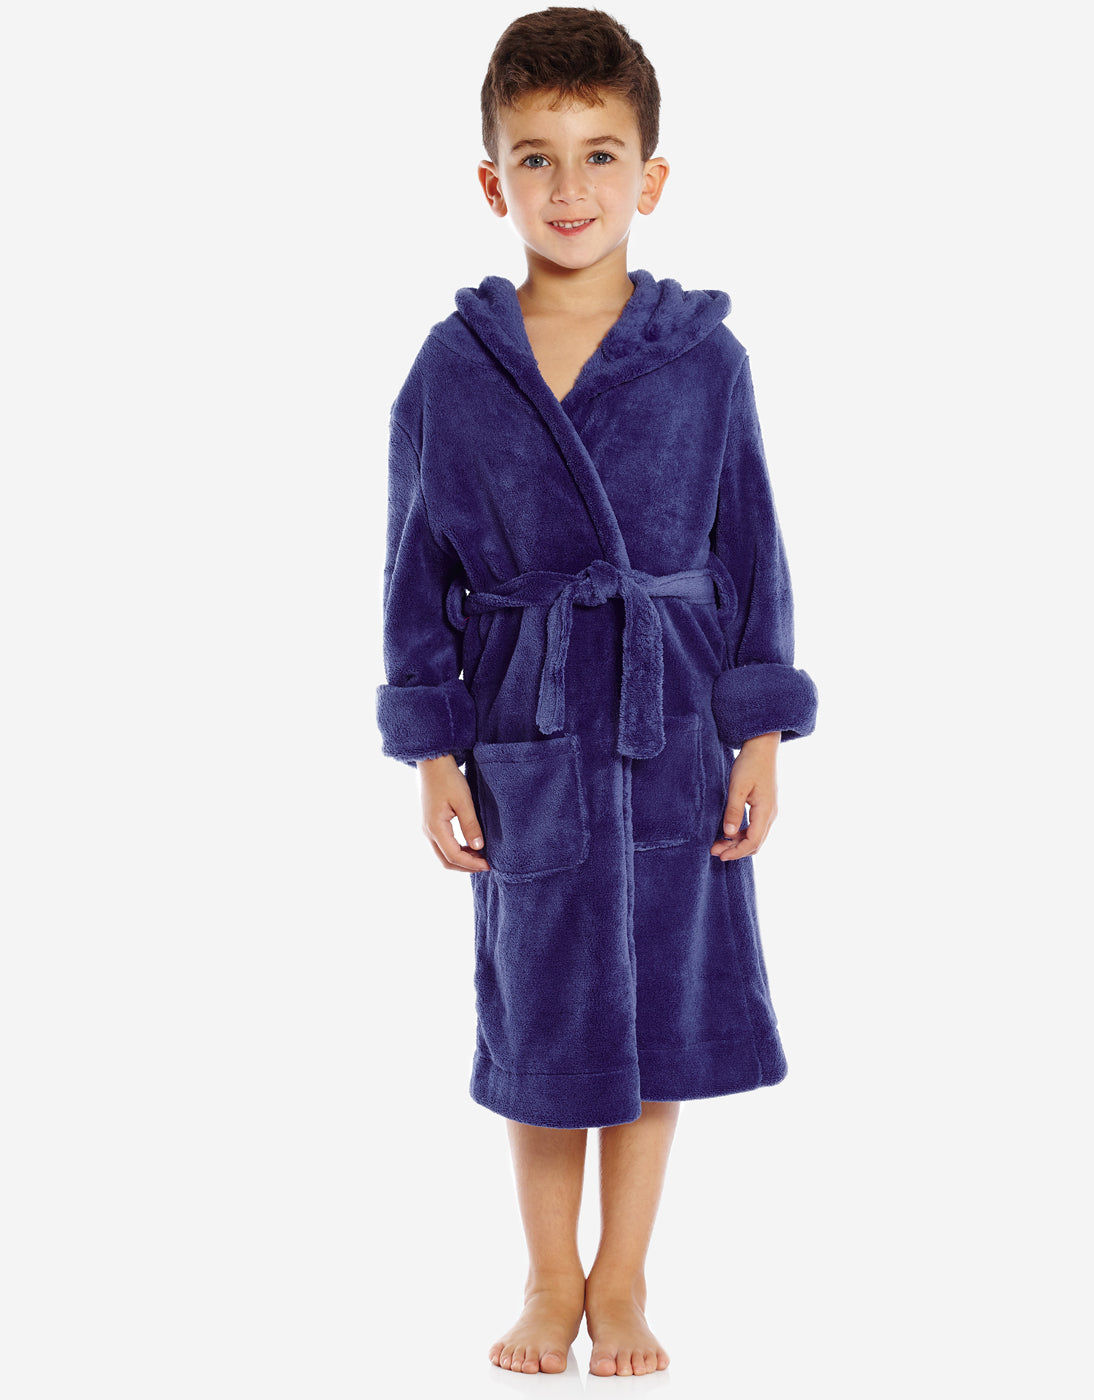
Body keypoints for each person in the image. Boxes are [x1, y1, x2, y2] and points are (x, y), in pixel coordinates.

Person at [374, 6, 819, 1379]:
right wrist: (435, 751)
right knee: (541, 1004)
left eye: (600, 155)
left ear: (651, 177)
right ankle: (545, 1275)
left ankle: (622, 1279)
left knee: (657, 1004)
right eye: (537, 158)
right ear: (491, 181)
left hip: (671, 718)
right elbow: (413, 569)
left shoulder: (704, 359)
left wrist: (759, 730)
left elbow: (751, 549)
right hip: (527, 723)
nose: (570, 189)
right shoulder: (454, 368)